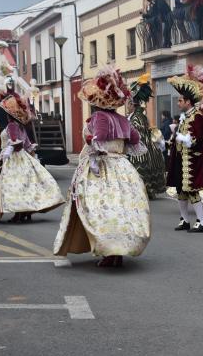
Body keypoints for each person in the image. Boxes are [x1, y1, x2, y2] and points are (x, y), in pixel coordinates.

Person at [53, 67, 150, 268]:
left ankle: (109, 252)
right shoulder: (123, 120)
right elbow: (135, 140)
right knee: (123, 209)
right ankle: (119, 252)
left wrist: (90, 139)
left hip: (102, 166)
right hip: (123, 168)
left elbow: (97, 141)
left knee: (100, 209)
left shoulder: (98, 118)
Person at [0, 95, 65, 223]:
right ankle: (23, 213)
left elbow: (14, 142)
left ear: (9, 114)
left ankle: (16, 213)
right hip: (23, 157)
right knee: (24, 185)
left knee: (12, 186)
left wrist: (8, 150)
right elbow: (28, 145)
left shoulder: (12, 125)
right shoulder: (21, 126)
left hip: (13, 159)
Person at [165, 65, 203, 233]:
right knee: (180, 191)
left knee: (192, 191)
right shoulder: (185, 117)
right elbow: (179, 137)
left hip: (193, 160)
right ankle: (184, 220)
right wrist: (171, 141)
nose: (178, 103)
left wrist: (188, 140)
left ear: (188, 102)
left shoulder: (198, 117)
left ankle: (202, 222)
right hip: (180, 159)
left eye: (180, 100)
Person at [126, 73, 166, 199]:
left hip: (139, 150)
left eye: (128, 104)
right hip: (142, 148)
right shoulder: (137, 116)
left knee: (139, 169)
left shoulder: (137, 117)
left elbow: (138, 133)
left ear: (132, 104)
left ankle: (145, 190)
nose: (127, 106)